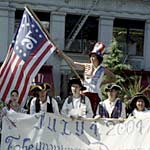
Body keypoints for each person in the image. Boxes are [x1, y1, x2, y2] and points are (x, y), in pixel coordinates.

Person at [57, 42, 116, 116]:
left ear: (98, 58)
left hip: (96, 95)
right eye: (91, 56)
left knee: (94, 114)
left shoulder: (102, 69)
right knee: (82, 113)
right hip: (84, 93)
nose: (92, 58)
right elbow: (73, 64)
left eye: (94, 56)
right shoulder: (86, 66)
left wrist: (102, 82)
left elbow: (113, 78)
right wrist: (63, 55)